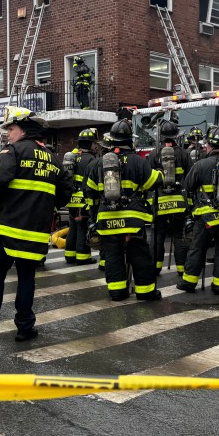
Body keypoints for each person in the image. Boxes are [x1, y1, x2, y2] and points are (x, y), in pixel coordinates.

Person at [0, 107, 72, 341]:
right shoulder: (54, 159)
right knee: (26, 279)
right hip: (34, 233)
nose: (7, 134)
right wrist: (46, 205)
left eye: (10, 129)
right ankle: (25, 328)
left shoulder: (13, 151)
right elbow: (66, 192)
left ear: (23, 130)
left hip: (5, 230)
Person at [86, 120, 161, 301]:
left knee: (113, 256)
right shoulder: (138, 161)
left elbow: (90, 192)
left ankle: (117, 292)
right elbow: (153, 183)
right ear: (130, 140)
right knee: (139, 254)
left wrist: (93, 217)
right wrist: (159, 172)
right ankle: (145, 292)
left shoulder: (99, 163)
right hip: (134, 220)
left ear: (111, 141)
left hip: (107, 218)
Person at [177, 126, 219, 295]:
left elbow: (188, 187)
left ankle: (189, 283)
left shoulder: (201, 165)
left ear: (210, 146)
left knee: (197, 249)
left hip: (205, 217)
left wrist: (192, 208)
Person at [147, 120, 192, 276]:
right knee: (179, 234)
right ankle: (181, 268)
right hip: (179, 202)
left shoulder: (154, 154)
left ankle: (155, 267)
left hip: (160, 202)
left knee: (158, 235)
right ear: (175, 136)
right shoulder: (184, 154)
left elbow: (149, 180)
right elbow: (190, 178)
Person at [64, 128, 99, 265]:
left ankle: (70, 255)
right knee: (82, 227)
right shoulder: (90, 159)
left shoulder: (74, 156)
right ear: (90, 144)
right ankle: (83, 257)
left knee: (73, 227)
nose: (96, 146)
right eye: (94, 143)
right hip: (83, 200)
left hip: (71, 200)